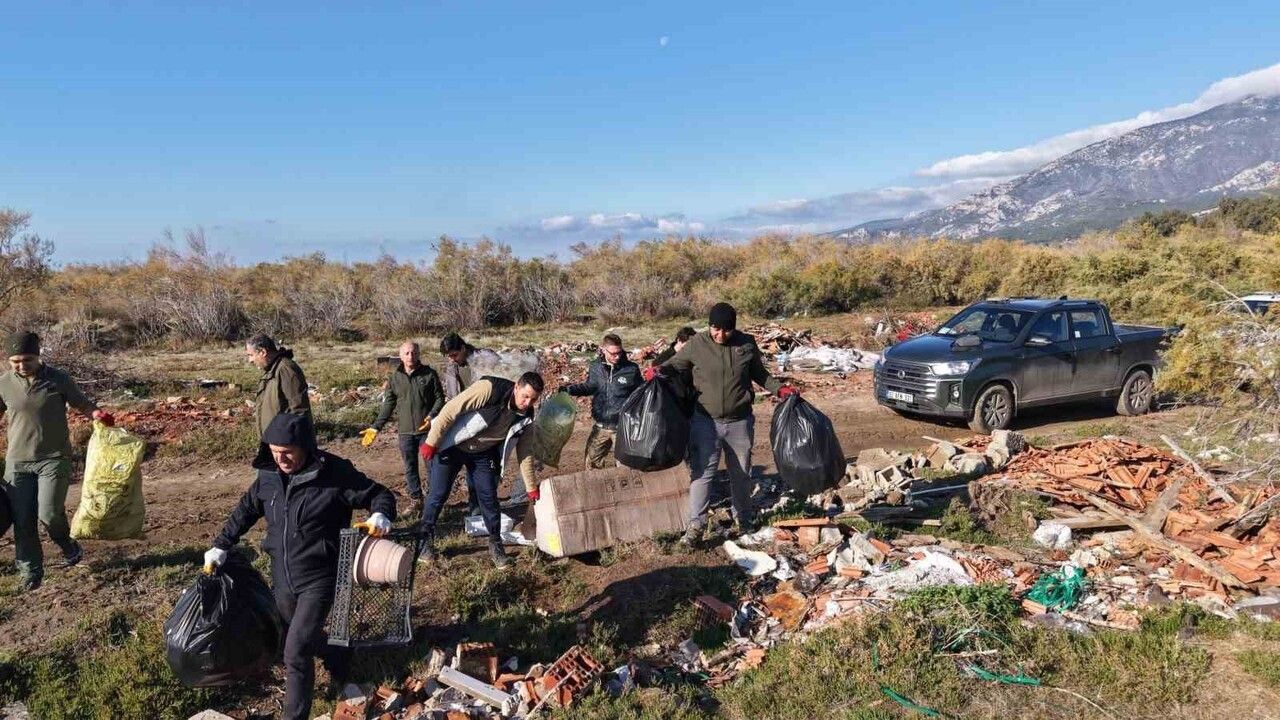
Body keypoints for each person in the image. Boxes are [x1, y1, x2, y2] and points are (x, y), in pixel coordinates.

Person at [204, 413, 395, 720]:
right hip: (282, 575)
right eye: (274, 451)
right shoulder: (267, 476)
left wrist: (380, 514)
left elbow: (379, 494)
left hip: (322, 575)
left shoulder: (334, 473)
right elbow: (246, 509)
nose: (281, 458)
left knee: (296, 653)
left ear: (305, 446)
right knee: (293, 635)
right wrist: (220, 545)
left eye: (287, 451)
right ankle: (338, 654)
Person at [653, 303, 796, 544]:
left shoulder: (746, 343)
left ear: (734, 327)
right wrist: (657, 371)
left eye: (726, 330)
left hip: (739, 422)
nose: (720, 335)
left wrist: (779, 389)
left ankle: (744, 519)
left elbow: (760, 374)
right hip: (704, 422)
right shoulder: (697, 344)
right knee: (702, 474)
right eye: (715, 329)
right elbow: (674, 365)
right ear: (709, 326)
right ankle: (696, 526)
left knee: (741, 474)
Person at [0, 331, 113, 590]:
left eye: (27, 359)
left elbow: (81, 403)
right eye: (15, 360)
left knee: (49, 513)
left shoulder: (58, 379)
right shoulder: (4, 383)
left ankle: (66, 544)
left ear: (38, 357)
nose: (21, 365)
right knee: (23, 518)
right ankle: (30, 571)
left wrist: (96, 413)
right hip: (17, 462)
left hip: (54, 458)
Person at [417, 371, 544, 569]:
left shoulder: (527, 416)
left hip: (483, 453)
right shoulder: (489, 389)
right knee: (438, 494)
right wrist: (432, 441)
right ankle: (424, 541)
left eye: (533, 399)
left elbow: (525, 451)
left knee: (489, 497)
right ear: (516, 386)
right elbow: (451, 408)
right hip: (454, 444)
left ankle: (495, 545)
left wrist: (530, 486)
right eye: (525, 396)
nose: (527, 403)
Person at [362, 341, 445, 516]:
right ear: (400, 356)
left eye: (414, 353)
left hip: (426, 431)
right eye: (406, 353)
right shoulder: (395, 378)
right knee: (410, 467)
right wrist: (376, 427)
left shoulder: (429, 374)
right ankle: (416, 500)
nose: (410, 356)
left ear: (419, 353)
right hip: (406, 432)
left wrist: (432, 416)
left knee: (431, 466)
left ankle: (432, 501)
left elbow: (439, 398)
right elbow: (388, 405)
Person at [438, 333, 501, 513]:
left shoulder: (486, 358)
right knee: (472, 467)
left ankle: (487, 506)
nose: (452, 359)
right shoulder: (452, 368)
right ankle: (475, 508)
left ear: (463, 348)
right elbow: (452, 397)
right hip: (466, 424)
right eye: (449, 356)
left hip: (490, 424)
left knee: (490, 467)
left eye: (454, 355)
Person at [562, 333, 641, 469]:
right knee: (591, 465)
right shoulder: (595, 367)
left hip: (623, 428)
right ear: (604, 350)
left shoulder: (631, 369)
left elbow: (641, 393)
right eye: (613, 354)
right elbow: (590, 386)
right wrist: (569, 390)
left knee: (627, 468)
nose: (617, 356)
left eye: (619, 353)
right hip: (601, 425)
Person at [246, 333, 311, 439]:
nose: (250, 360)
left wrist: (290, 448)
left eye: (251, 355)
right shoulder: (272, 369)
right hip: (274, 442)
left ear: (263, 352)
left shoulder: (285, 369)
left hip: (285, 446)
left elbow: (298, 411)